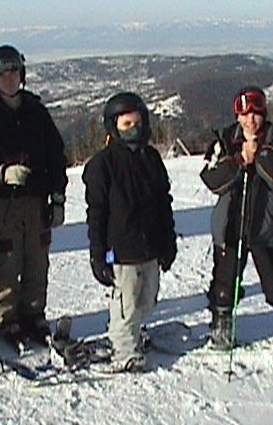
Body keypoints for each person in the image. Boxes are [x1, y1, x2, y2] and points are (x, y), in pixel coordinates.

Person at [0, 45, 67, 350]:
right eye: (2, 73)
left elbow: (56, 155)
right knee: (8, 259)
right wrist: (0, 172)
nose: (9, 78)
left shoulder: (36, 112)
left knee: (37, 258)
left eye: (13, 71)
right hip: (3, 201)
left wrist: (58, 196)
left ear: (21, 74)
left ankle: (33, 314)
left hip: (37, 198)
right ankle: (4, 318)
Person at [200, 85, 273, 351]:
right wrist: (237, 161)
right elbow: (211, 178)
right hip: (231, 223)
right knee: (226, 278)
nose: (250, 119)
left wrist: (260, 156)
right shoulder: (223, 139)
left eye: (255, 113)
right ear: (237, 116)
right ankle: (222, 321)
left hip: (266, 224)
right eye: (244, 114)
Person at [82, 92, 177, 372]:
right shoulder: (103, 165)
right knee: (127, 303)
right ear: (114, 127)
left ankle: (133, 330)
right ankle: (124, 349)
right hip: (120, 250)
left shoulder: (151, 158)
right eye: (126, 124)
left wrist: (167, 241)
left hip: (150, 246)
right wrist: (98, 255)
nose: (133, 128)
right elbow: (96, 213)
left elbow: (163, 203)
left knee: (147, 300)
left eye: (137, 122)